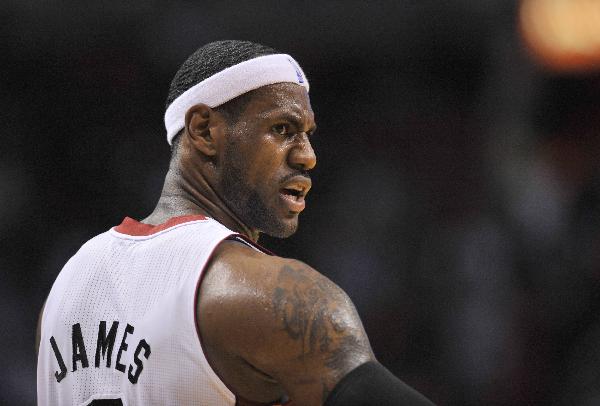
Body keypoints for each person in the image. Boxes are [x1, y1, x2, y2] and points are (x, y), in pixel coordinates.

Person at [36, 40, 435, 406]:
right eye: (282, 129)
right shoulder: (269, 294)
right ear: (204, 130)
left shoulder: (66, 287)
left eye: (308, 134)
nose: (308, 156)